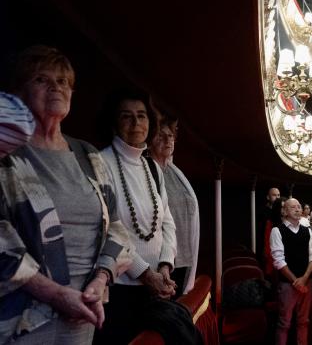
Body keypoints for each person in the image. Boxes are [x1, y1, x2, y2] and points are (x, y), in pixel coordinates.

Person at [1, 46, 131, 345]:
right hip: (21, 317)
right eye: (41, 80)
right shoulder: (6, 155)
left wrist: (100, 281)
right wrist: (57, 295)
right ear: (18, 93)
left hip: (84, 308)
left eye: (62, 81)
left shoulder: (88, 154)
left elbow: (117, 228)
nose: (56, 87)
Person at [96, 89, 178, 344]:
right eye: (126, 116)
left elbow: (167, 221)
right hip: (118, 290)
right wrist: (144, 273)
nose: (136, 124)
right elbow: (107, 230)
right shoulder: (99, 162)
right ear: (113, 122)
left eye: (142, 116)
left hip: (155, 288)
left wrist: (164, 265)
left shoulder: (152, 165)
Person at [149, 117, 200, 296]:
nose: (168, 140)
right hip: (160, 261)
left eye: (170, 136)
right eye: (160, 136)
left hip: (183, 255)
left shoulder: (174, 172)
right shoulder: (147, 172)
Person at [270, 198, 312, 345]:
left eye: (299, 206)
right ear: (284, 212)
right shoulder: (277, 230)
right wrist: (295, 281)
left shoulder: (307, 231)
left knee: (304, 321)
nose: (298, 209)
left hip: (306, 282)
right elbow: (278, 260)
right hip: (287, 284)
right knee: (284, 323)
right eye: (293, 207)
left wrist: (304, 278)